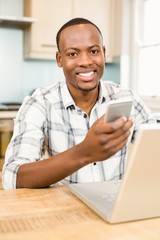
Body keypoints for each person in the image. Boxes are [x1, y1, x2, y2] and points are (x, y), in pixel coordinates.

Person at [2, 18, 156, 189]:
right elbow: (12, 177)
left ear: (104, 53)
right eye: (72, 54)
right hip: (65, 209)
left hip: (116, 206)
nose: (86, 61)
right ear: (59, 59)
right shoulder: (40, 103)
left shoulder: (126, 98)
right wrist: (84, 152)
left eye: (94, 51)